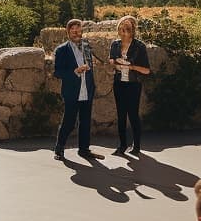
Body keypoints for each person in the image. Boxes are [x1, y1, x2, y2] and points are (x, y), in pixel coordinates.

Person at [53, 18, 99, 160]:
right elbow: (57, 72)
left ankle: (84, 150)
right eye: (73, 31)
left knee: (85, 122)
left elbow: (89, 65)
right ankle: (59, 149)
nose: (76, 33)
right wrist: (74, 71)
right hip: (72, 91)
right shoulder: (62, 50)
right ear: (68, 32)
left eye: (78, 30)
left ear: (81, 31)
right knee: (69, 122)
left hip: (87, 89)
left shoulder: (86, 46)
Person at [108, 15, 151, 155]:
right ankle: (122, 146)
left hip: (133, 84)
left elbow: (146, 70)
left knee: (133, 115)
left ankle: (136, 146)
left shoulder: (139, 46)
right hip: (119, 83)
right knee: (120, 115)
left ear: (133, 29)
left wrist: (131, 67)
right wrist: (114, 64)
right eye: (121, 26)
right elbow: (112, 63)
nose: (124, 29)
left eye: (127, 27)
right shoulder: (115, 44)